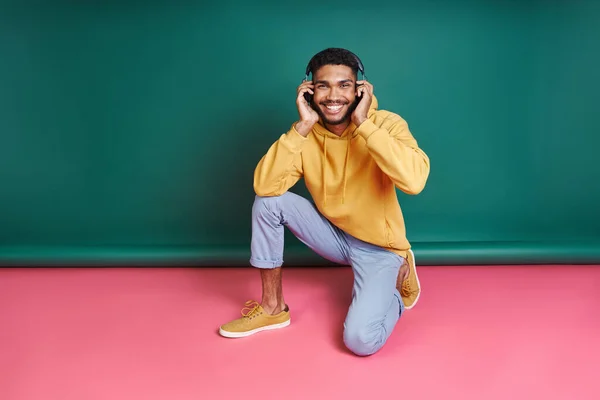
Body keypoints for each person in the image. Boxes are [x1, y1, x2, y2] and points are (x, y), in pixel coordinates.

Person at [218, 48, 430, 356]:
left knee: (360, 341)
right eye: (323, 86)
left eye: (344, 85)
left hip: (380, 250)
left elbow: (414, 181)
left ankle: (396, 288)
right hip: (335, 236)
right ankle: (273, 307)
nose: (333, 96)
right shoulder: (306, 135)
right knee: (268, 203)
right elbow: (264, 187)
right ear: (309, 90)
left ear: (360, 90)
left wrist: (364, 125)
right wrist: (301, 127)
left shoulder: (386, 124)